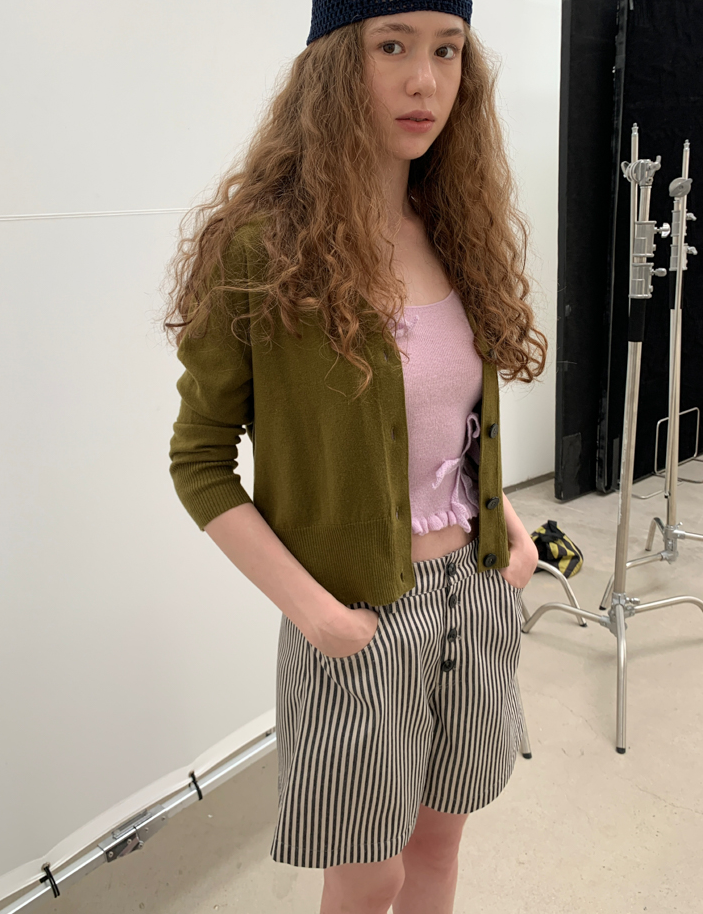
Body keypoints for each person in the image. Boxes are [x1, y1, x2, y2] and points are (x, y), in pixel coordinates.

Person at [161, 2, 547, 911]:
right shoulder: (262, 251)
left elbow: (450, 429)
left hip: (476, 594)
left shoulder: (453, 230)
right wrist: (317, 616)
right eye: (392, 46)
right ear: (336, 63)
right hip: (359, 616)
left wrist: (509, 527)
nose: (425, 80)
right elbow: (200, 461)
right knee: (369, 876)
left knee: (439, 845)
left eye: (447, 50)